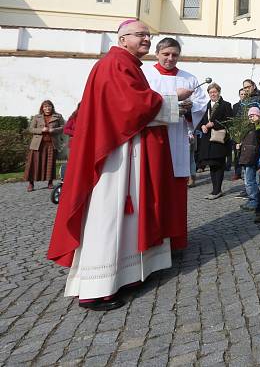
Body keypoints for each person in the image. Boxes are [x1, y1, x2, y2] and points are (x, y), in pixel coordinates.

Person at [47, 19, 190, 311]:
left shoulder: (126, 64)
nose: (147, 39)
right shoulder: (115, 64)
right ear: (123, 39)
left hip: (126, 151)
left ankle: (126, 275)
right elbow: (132, 108)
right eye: (141, 35)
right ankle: (96, 288)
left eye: (149, 35)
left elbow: (135, 104)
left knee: (125, 217)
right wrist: (174, 98)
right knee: (108, 216)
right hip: (115, 157)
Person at [143, 37, 209, 249]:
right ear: (157, 54)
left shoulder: (189, 78)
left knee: (175, 194)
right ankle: (154, 239)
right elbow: (143, 103)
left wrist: (189, 108)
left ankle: (176, 239)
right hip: (152, 137)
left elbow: (200, 105)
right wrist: (173, 101)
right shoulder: (145, 74)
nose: (170, 58)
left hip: (178, 139)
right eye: (166, 54)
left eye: (175, 55)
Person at [197, 83, 234, 200]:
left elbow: (229, 121)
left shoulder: (226, 105)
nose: (213, 94)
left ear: (219, 92)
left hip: (219, 140)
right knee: (212, 165)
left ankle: (217, 190)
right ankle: (215, 189)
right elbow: (200, 121)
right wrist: (202, 126)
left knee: (219, 165)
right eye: (210, 92)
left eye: (215, 92)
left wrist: (214, 124)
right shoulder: (205, 106)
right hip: (207, 141)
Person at [24, 100, 65, 191]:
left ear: (52, 107)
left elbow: (63, 128)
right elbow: (31, 129)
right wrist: (41, 130)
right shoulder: (37, 117)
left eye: (49, 106)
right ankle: (31, 184)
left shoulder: (58, 116)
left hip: (51, 144)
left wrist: (53, 130)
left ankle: (50, 183)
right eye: (45, 107)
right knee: (34, 164)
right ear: (42, 108)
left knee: (50, 164)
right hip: (37, 145)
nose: (47, 108)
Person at [238, 107, 260, 211]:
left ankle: (254, 200)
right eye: (250, 116)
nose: (251, 118)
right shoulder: (248, 128)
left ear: (258, 116)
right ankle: (253, 199)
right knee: (249, 180)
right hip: (247, 157)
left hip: (253, 157)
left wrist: (258, 122)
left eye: (253, 115)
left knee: (251, 181)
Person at [230, 88, 249, 182]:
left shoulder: (249, 105)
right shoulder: (235, 106)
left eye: (245, 94)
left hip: (247, 132)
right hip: (237, 133)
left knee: (245, 153)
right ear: (239, 95)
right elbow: (233, 120)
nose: (243, 96)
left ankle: (246, 172)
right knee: (237, 153)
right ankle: (237, 173)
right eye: (241, 94)